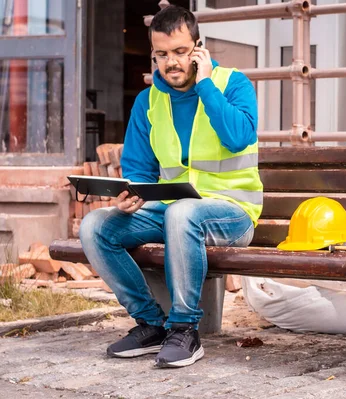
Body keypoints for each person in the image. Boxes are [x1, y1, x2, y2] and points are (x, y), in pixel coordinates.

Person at [79, 5, 263, 368]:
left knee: (182, 213)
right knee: (95, 226)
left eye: (180, 52)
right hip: (173, 212)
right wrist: (130, 196)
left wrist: (206, 84)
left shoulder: (233, 84)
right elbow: (139, 171)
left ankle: (185, 329)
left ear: (198, 48)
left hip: (233, 212)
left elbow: (239, 136)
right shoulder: (148, 102)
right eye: (162, 54)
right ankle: (151, 324)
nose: (172, 62)